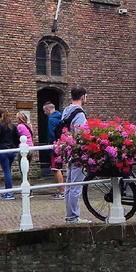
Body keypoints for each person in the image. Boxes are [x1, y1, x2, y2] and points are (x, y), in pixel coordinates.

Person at [57, 87, 88, 222]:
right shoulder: (79, 114)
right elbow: (82, 134)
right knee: (76, 186)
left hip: (68, 151)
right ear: (83, 97)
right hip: (78, 153)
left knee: (69, 185)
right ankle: (73, 217)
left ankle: (70, 215)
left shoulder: (66, 111)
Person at [0, 107, 19, 200]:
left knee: (6, 171)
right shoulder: (13, 126)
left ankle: (9, 192)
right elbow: (18, 138)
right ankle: (8, 190)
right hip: (12, 150)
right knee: (8, 170)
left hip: (3, 150)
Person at [43, 100, 65, 195]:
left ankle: (62, 191)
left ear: (48, 109)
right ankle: (60, 189)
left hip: (55, 146)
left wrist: (52, 143)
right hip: (61, 145)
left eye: (45, 110)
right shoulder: (61, 117)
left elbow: (52, 133)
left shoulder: (51, 119)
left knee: (56, 169)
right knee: (58, 168)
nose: (44, 113)